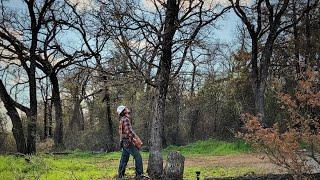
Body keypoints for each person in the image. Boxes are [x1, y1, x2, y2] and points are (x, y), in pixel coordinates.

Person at [117, 105, 143, 180]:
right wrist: (136, 139)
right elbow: (129, 132)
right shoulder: (126, 119)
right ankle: (139, 175)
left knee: (124, 158)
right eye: (126, 108)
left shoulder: (122, 119)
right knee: (138, 157)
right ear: (124, 111)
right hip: (128, 142)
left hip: (124, 142)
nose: (128, 109)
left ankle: (120, 175)